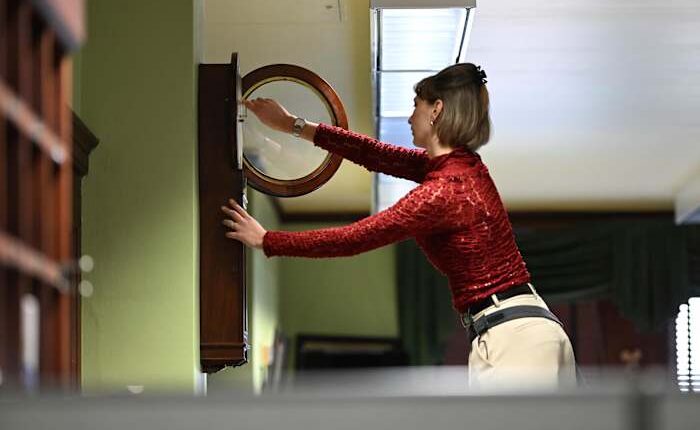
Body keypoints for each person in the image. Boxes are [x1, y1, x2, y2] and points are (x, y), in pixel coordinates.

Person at [221, 63, 577, 390]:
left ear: (436, 110)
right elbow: (373, 153)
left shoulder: (445, 191)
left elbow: (355, 238)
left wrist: (268, 240)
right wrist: (291, 125)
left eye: (416, 105)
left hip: (513, 337)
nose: (410, 117)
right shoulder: (457, 169)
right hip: (524, 330)